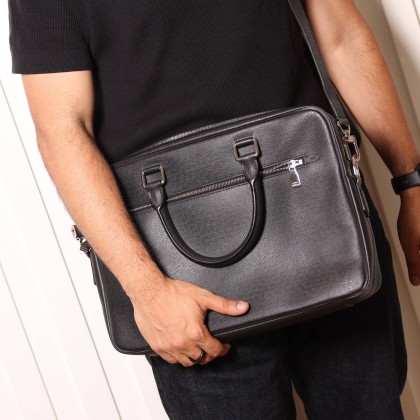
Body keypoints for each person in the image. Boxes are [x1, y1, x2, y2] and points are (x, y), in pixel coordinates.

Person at [9, 0, 419, 418]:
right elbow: (62, 130)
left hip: (329, 227)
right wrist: (147, 290)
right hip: (181, 284)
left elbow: (342, 38)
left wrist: (412, 185)